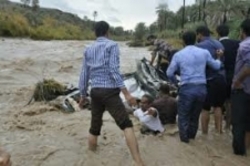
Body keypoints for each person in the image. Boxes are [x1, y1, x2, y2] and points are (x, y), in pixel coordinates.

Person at [78, 21, 144, 166]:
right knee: (126, 125)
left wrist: (82, 95)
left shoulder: (88, 49)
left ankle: (90, 158)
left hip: (95, 92)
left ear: (95, 33)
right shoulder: (112, 45)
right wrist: (126, 94)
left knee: (94, 128)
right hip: (109, 92)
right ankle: (138, 161)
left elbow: (84, 74)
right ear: (108, 31)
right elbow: (113, 70)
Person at [167, 31, 222, 143]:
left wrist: (176, 83)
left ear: (183, 41)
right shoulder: (204, 52)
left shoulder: (179, 54)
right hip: (202, 88)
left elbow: (169, 73)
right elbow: (216, 66)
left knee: (183, 115)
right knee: (195, 115)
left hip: (186, 88)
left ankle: (185, 142)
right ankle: (192, 137)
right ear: (196, 39)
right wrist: (219, 57)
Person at [196, 26, 227, 134]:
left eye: (197, 35)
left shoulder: (199, 46)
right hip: (222, 78)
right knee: (218, 106)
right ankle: (219, 132)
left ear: (200, 34)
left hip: (209, 79)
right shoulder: (219, 43)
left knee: (205, 108)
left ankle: (204, 134)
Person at [231, 18, 250, 156]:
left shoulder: (245, 45)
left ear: (243, 31)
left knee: (238, 122)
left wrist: (238, 80)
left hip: (242, 90)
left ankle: (239, 154)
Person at [216, 24, 240, 130]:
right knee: (230, 102)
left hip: (221, 77)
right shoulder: (237, 43)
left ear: (218, 33)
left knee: (219, 104)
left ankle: (219, 129)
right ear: (228, 32)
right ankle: (228, 126)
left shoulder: (217, 44)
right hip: (236, 76)